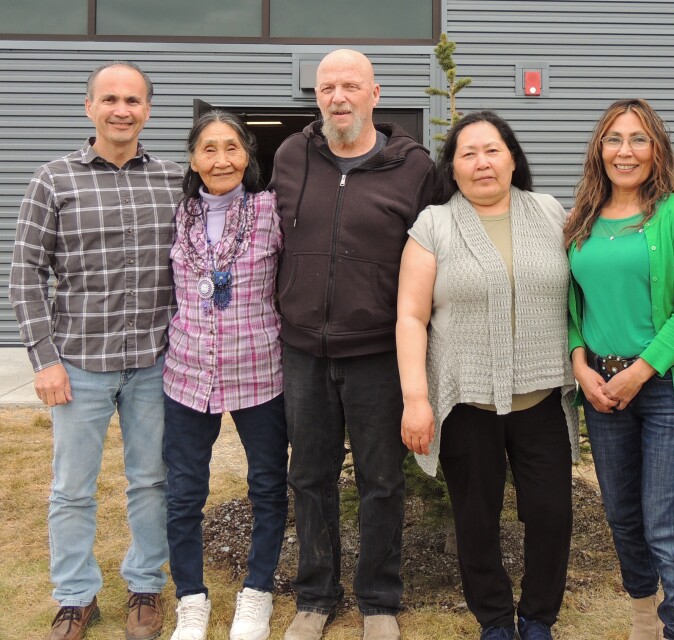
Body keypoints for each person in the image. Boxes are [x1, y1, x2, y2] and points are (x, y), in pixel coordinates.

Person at [9, 61, 182, 640]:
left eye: (133, 100)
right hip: (78, 364)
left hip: (155, 364)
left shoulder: (172, 180)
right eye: (109, 98)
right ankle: (75, 597)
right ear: (89, 107)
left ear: (147, 111)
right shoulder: (53, 179)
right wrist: (44, 358)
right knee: (72, 488)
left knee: (152, 480)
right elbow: (26, 273)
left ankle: (144, 587)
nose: (121, 109)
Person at [269, 49, 436, 640]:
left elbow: (434, 254)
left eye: (350, 86)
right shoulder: (292, 155)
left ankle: (378, 601)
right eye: (326, 87)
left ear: (374, 93)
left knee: (380, 480)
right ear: (316, 97)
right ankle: (314, 597)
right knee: (309, 476)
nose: (338, 97)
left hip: (378, 353)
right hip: (304, 351)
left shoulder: (414, 167)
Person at [397, 110, 580, 640]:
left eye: (492, 150)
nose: (482, 163)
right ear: (451, 168)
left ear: (513, 158)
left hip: (542, 399)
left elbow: (584, 288)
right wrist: (416, 398)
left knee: (551, 514)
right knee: (476, 522)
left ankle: (539, 616)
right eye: (468, 153)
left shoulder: (550, 213)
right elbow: (411, 315)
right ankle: (496, 619)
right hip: (467, 402)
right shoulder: (433, 224)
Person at [565, 99, 674, 640]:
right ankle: (644, 618)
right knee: (623, 518)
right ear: (598, 149)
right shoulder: (580, 218)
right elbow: (572, 304)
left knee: (667, 525)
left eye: (638, 139)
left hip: (667, 388)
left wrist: (641, 371)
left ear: (657, 150)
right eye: (613, 139)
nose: (625, 151)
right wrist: (580, 363)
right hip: (601, 388)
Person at [162, 110, 289, 640]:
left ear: (248, 156)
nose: (221, 159)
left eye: (231, 148)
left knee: (267, 485)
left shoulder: (271, 210)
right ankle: (191, 597)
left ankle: (257, 592)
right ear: (193, 159)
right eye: (208, 149)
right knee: (185, 491)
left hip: (260, 371)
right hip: (188, 373)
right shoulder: (177, 214)